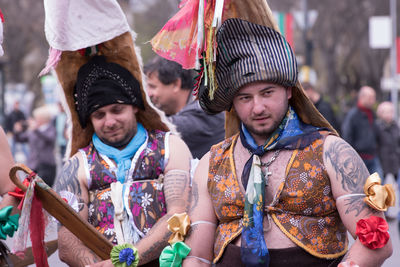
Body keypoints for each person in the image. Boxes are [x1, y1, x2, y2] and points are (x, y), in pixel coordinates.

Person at [182, 18, 392, 267]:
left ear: (289, 90)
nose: (257, 107)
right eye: (245, 97)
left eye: (267, 93)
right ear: (232, 104)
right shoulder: (213, 163)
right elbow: (196, 256)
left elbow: (377, 242)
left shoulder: (331, 152)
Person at [52, 55, 192, 266]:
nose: (110, 121)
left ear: (134, 106)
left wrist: (126, 260)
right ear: (89, 119)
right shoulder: (76, 166)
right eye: (99, 115)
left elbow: (178, 214)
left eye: (117, 110)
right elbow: (67, 242)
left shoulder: (171, 147)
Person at [144, 56, 225, 159]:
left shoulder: (205, 110)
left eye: (152, 86)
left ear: (176, 84)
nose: (148, 93)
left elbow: (161, 128)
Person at [341, 86, 383, 177]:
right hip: (359, 158)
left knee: (378, 185)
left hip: (373, 156)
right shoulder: (353, 115)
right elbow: (347, 136)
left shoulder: (372, 113)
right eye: (370, 98)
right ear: (362, 97)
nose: (373, 100)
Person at [14, 105, 57, 187]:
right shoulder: (32, 130)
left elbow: (50, 138)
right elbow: (20, 139)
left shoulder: (50, 129)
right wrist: (17, 131)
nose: (34, 119)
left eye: (36, 118)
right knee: (32, 191)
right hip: (33, 166)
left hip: (47, 165)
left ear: (42, 119)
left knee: (45, 191)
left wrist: (36, 130)